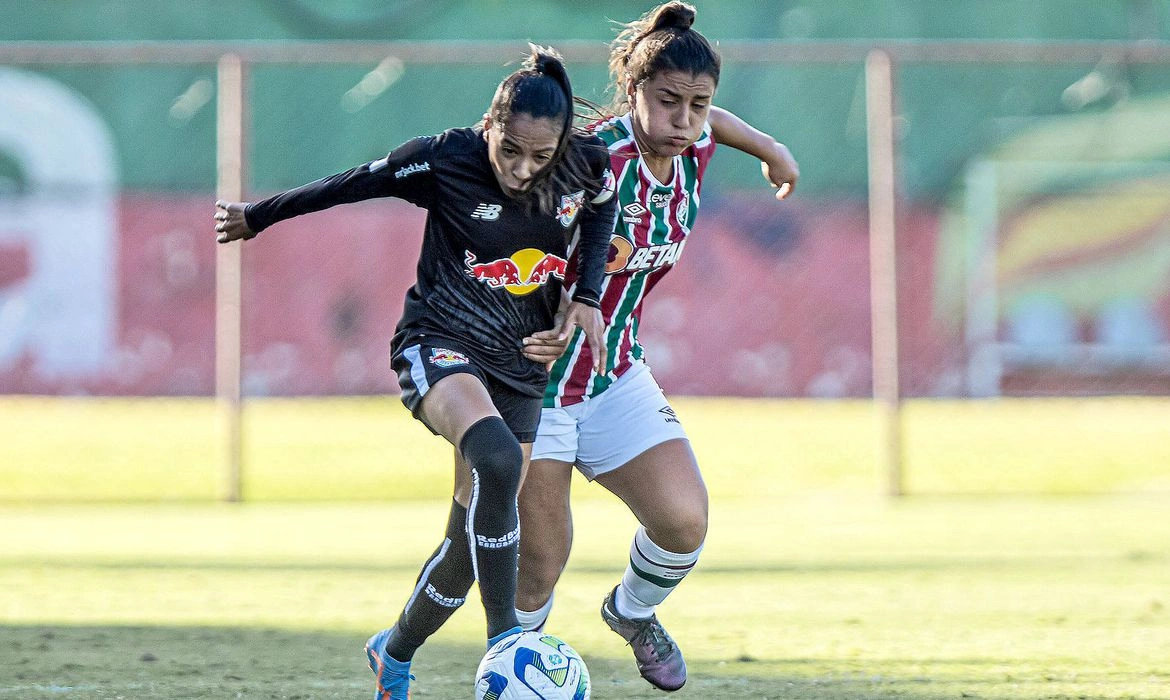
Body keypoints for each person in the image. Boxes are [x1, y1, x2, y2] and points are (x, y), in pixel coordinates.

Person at [213, 46, 617, 700]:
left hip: (518, 366)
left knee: (464, 552)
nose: (521, 170)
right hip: (438, 343)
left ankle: (393, 651)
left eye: (538, 158)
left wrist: (588, 296)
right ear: (489, 125)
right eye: (508, 149)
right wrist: (258, 216)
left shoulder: (584, 163)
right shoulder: (444, 158)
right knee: (498, 460)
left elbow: (603, 210)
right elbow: (349, 183)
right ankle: (506, 644)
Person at [511, 2, 800, 693]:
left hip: (613, 379)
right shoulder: (589, 161)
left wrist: (771, 149)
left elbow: (717, 129)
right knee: (543, 560)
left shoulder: (695, 143)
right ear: (633, 93)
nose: (685, 118)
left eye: (698, 104)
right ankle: (513, 673)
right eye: (668, 101)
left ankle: (631, 613)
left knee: (684, 522)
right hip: (533, 387)